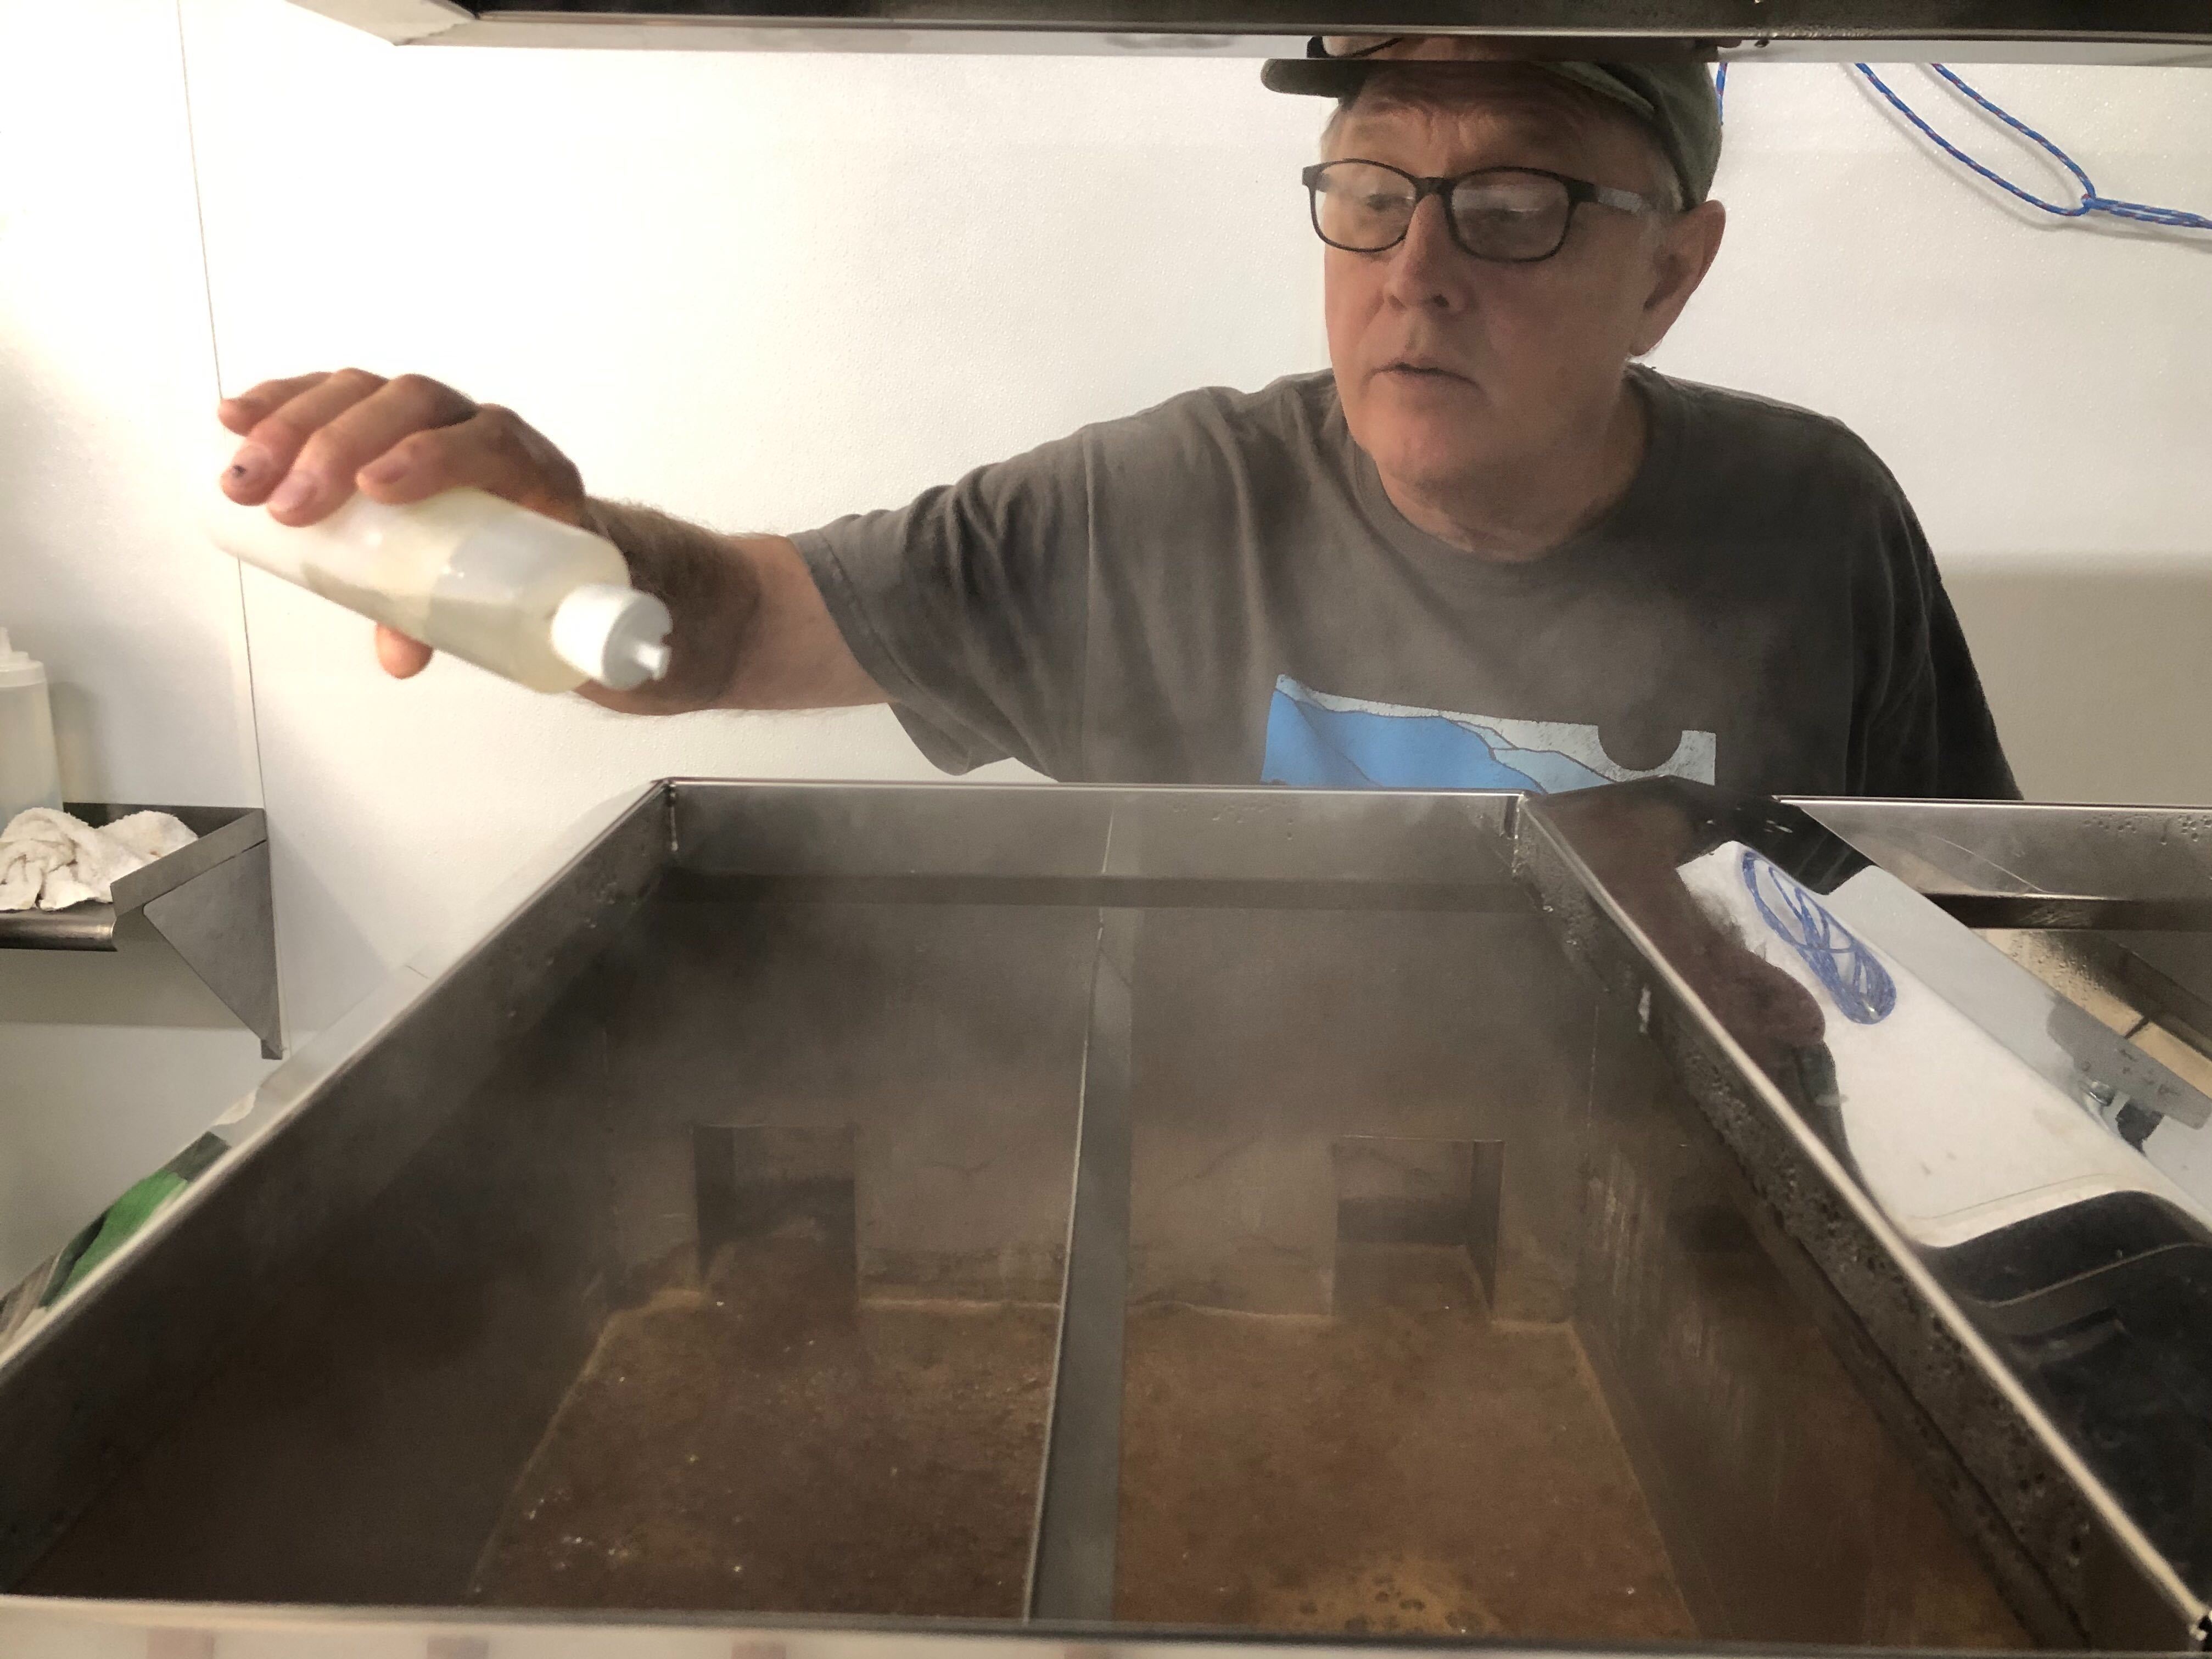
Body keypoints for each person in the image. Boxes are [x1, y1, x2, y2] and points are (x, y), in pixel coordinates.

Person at [215, 37, 2017, 800]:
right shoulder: (1166, 509)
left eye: (1517, 206)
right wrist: (564, 548)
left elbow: (1963, 931)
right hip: (1236, 1230)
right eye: (1371, 191)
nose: (1417, 270)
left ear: (1672, 273)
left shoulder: (1813, 520)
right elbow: (738, 628)